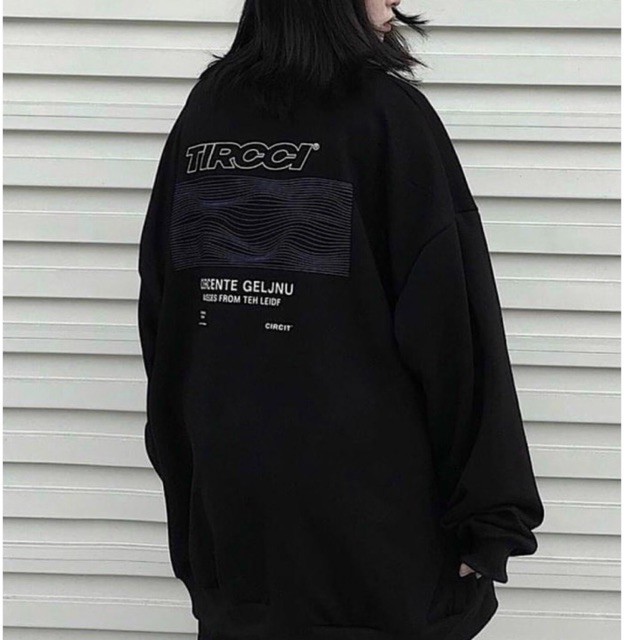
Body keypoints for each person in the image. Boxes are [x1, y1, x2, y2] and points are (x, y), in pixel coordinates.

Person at [137, 0, 545, 638]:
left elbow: (167, 327)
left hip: (238, 532)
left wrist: (193, 493)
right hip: (370, 543)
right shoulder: (386, 116)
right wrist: (491, 516)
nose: (395, 0)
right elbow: (455, 330)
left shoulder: (206, 117)